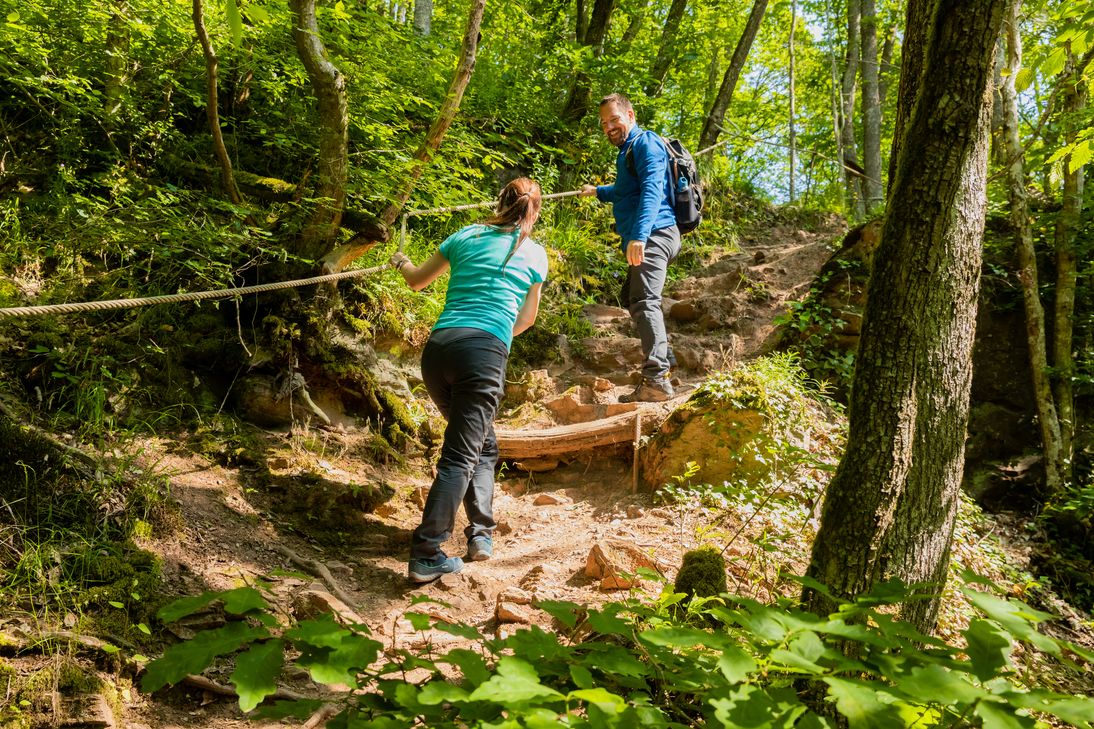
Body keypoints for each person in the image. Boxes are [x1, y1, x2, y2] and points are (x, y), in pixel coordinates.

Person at [389, 178, 548, 583]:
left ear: (500, 202)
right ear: (534, 212)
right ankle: (427, 552)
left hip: (439, 349)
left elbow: (416, 280)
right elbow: (527, 318)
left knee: (483, 444)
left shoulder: (467, 235)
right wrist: (493, 340)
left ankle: (480, 534)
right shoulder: (534, 253)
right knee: (461, 454)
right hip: (483, 354)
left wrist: (400, 261)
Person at [580, 93, 680, 403]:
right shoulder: (628, 150)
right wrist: (598, 191)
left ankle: (656, 379)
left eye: (614, 119)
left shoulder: (645, 143)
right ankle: (665, 358)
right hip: (652, 233)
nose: (609, 127)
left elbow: (652, 189)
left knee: (644, 299)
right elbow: (626, 190)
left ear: (631, 115)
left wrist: (639, 236)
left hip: (656, 232)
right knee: (631, 296)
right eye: (604, 123)